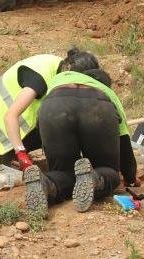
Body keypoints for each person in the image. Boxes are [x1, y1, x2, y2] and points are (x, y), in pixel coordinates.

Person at [22, 60, 137, 218]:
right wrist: (130, 178)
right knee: (108, 169)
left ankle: (47, 184)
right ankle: (94, 177)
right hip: (97, 107)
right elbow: (124, 143)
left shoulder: (57, 80)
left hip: (54, 106)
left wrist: (23, 150)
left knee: (63, 171)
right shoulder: (105, 91)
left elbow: (38, 126)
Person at [0, 48, 100, 170]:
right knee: (56, 122)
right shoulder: (40, 78)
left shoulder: (59, 68)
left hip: (10, 123)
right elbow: (10, 116)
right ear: (68, 71)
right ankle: (10, 156)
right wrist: (21, 153)